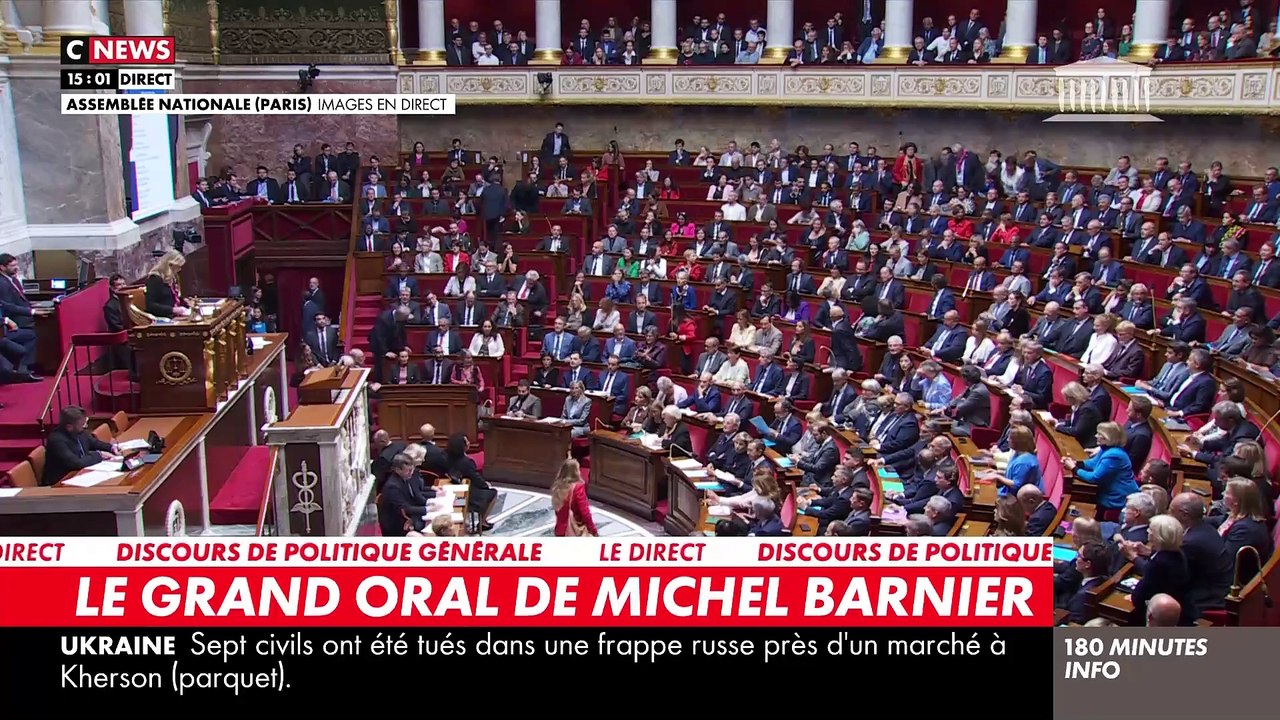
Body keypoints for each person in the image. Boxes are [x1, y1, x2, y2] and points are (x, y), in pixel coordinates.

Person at [1065, 422, 1141, 522]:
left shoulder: (1114, 455)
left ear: (1107, 438)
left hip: (1117, 499)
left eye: (1099, 434)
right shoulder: (1106, 449)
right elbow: (1092, 464)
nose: (1096, 436)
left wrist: (1074, 469)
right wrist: (1076, 463)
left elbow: (1094, 478)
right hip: (1109, 494)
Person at [1129, 515, 1194, 626]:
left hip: (1158, 614)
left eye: (1151, 529)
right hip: (1178, 609)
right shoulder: (1178, 554)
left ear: (1158, 536)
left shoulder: (1158, 563)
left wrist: (1132, 595)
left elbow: (1138, 597)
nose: (1148, 531)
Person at [41, 406, 121, 486]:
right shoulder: (57, 441)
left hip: (80, 474)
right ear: (69, 427)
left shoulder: (79, 432)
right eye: (82, 425)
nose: (85, 426)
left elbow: (93, 442)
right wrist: (99, 455)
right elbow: (77, 463)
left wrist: (111, 448)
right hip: (60, 483)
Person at [444, 432, 495, 531]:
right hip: (467, 492)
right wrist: (485, 485)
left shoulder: (446, 458)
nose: (469, 443)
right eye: (466, 442)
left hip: (454, 487)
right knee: (493, 493)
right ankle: (483, 522)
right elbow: (475, 478)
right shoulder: (466, 462)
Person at [552, 458, 597, 536]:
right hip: (574, 531)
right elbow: (585, 513)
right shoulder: (577, 488)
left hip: (560, 531)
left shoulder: (557, 488)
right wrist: (593, 530)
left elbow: (558, 512)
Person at [143, 249, 192, 318]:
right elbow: (151, 305)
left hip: (175, 316)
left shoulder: (172, 277)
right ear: (170, 265)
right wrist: (172, 310)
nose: (180, 270)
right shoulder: (154, 279)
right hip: (161, 318)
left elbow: (173, 297)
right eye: (178, 267)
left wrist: (186, 302)